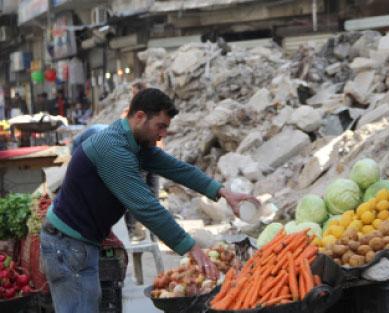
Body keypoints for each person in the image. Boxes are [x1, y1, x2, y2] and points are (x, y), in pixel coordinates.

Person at [40, 88, 259, 313]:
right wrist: (192, 248)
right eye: (160, 126)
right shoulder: (113, 149)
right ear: (140, 117)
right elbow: (145, 206)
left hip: (81, 243)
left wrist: (224, 193)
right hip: (68, 245)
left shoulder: (134, 143)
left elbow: (177, 169)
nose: (163, 133)